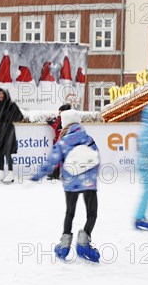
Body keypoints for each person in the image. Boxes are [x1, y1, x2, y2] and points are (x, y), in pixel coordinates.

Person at [30, 110, 101, 262]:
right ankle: (84, 242)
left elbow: (51, 161)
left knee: (70, 213)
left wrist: (37, 176)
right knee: (92, 213)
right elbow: (96, 158)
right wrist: (92, 177)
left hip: (71, 183)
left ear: (64, 124)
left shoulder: (63, 142)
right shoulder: (88, 139)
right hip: (89, 181)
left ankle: (64, 246)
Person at [45, 103, 72, 180]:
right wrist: (52, 121)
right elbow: (56, 126)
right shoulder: (61, 119)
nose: (59, 112)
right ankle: (56, 173)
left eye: (60, 111)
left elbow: (58, 129)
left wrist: (53, 122)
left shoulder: (66, 120)